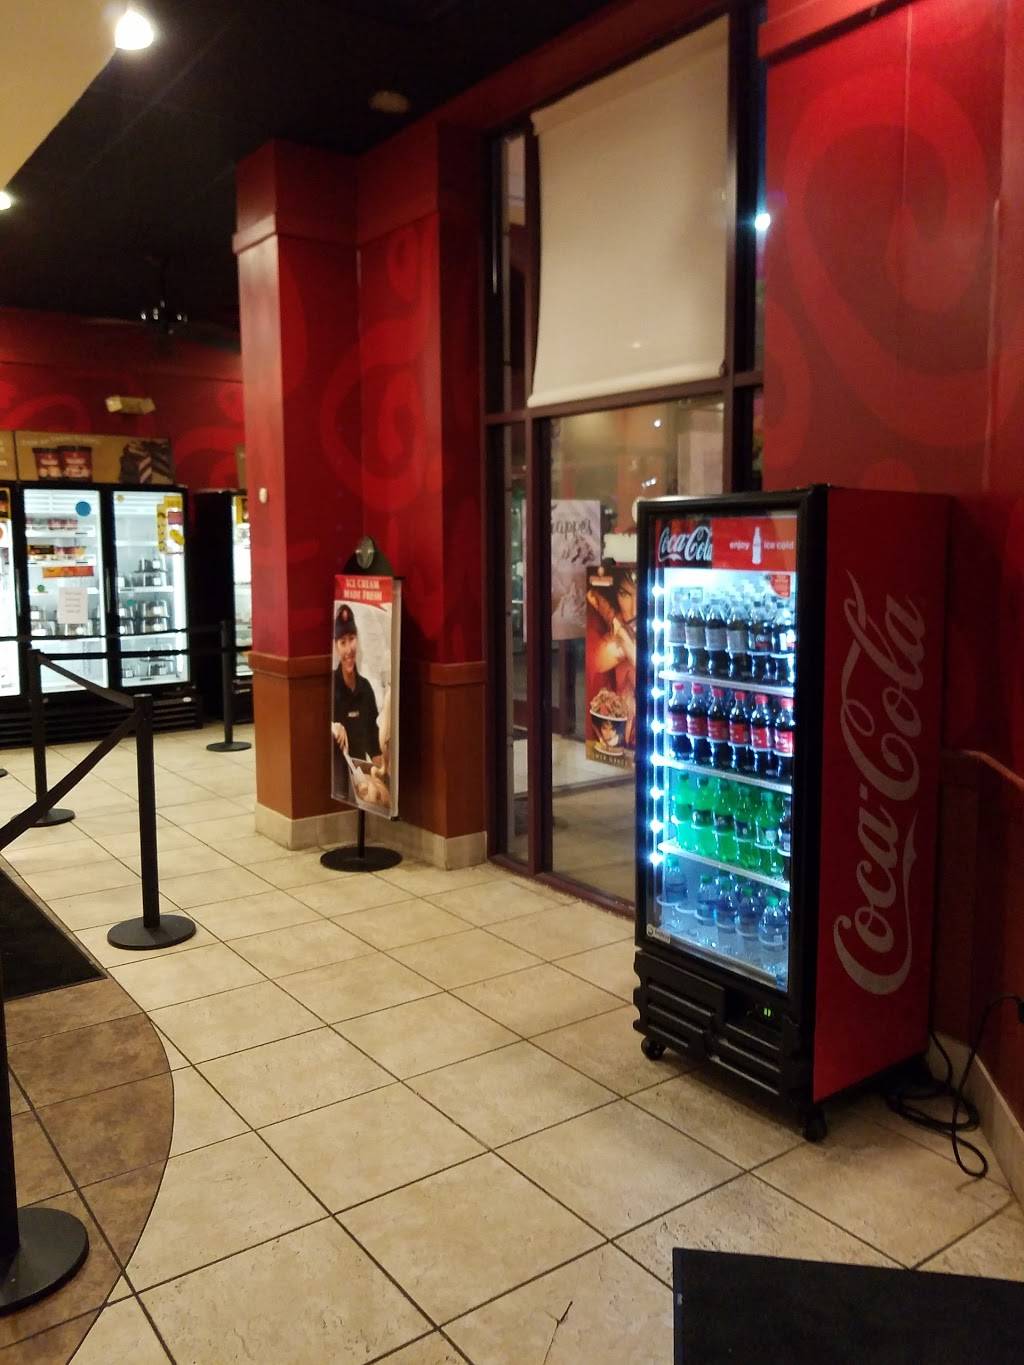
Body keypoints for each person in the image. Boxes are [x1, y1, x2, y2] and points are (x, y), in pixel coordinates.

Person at [331, 605, 384, 799]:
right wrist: (333, 726)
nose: (349, 649)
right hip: (337, 780)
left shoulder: (366, 688)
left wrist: (384, 777)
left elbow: (374, 745)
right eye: (342, 642)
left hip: (361, 781)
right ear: (336, 647)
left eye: (352, 639)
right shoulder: (331, 686)